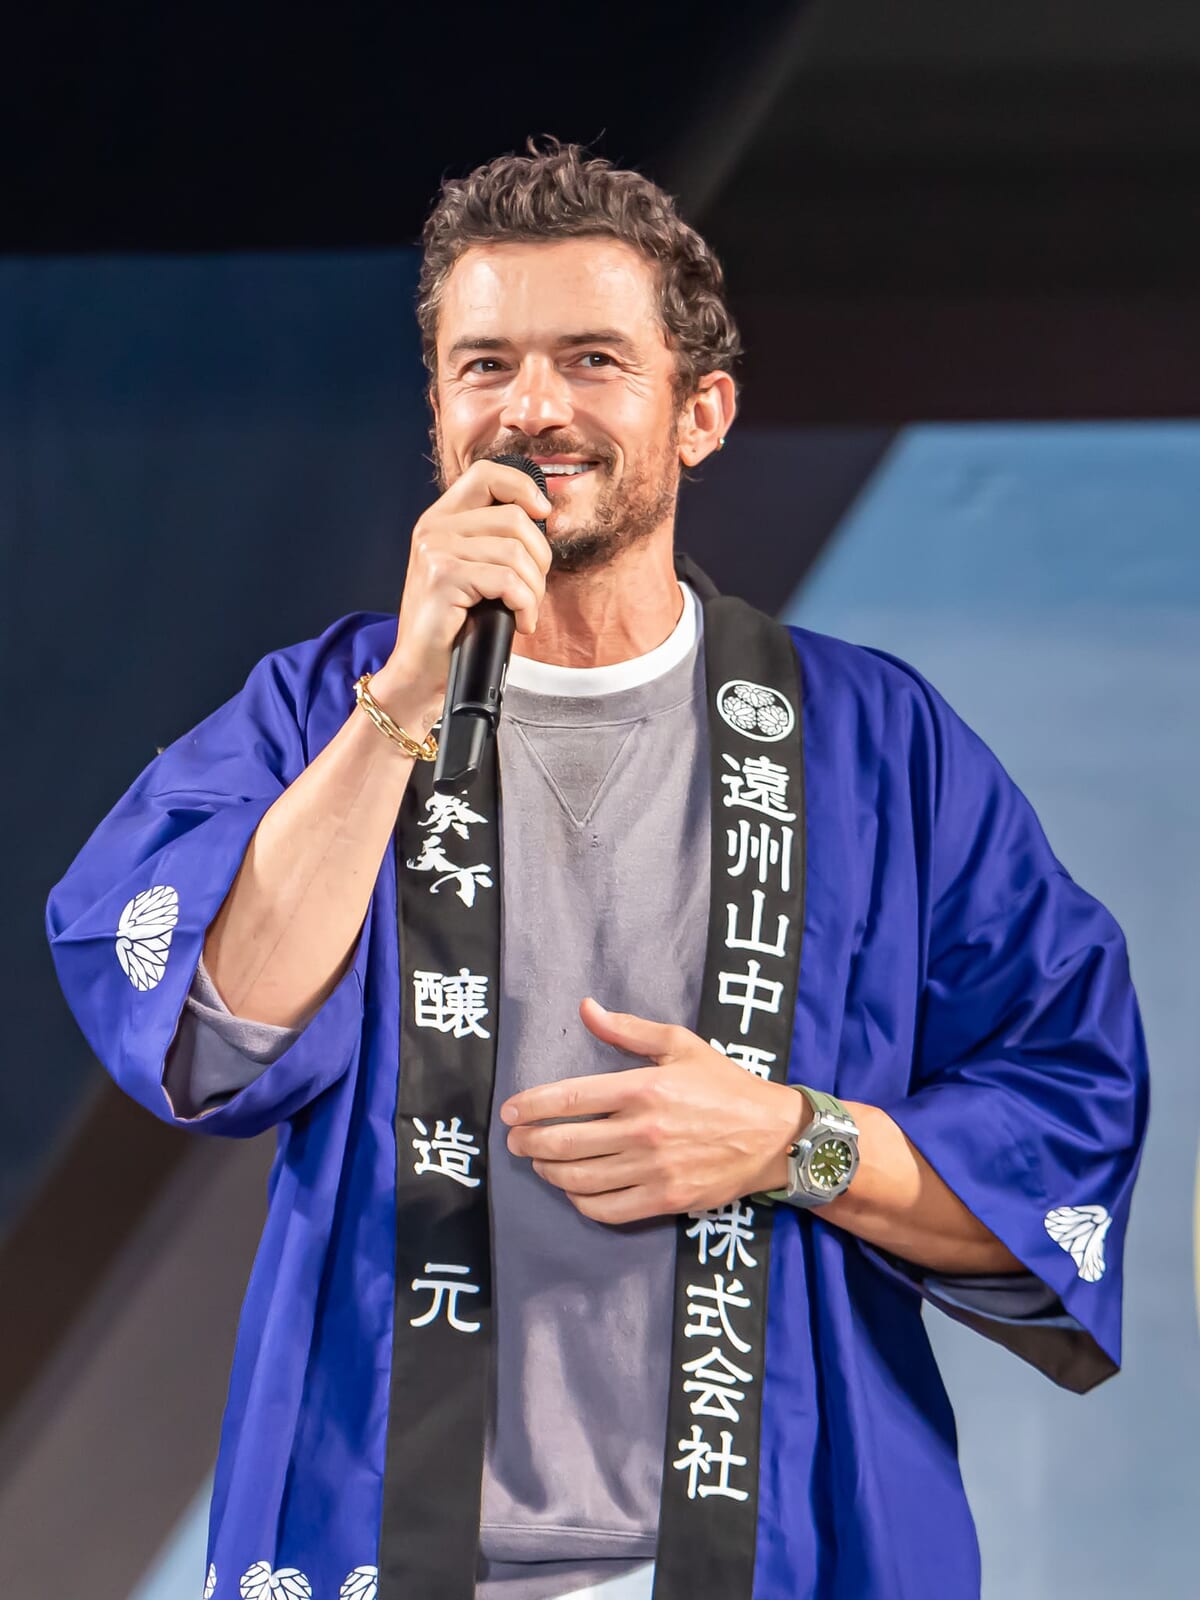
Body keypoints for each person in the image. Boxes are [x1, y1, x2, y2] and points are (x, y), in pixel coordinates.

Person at [47, 141, 1147, 1600]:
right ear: (439, 414)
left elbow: (1065, 1110)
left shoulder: (875, 744)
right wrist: (408, 692)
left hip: (771, 1555)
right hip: (390, 1545)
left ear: (701, 414)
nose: (533, 408)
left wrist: (792, 1140)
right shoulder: (318, 715)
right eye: (485, 366)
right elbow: (211, 1029)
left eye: (592, 360)